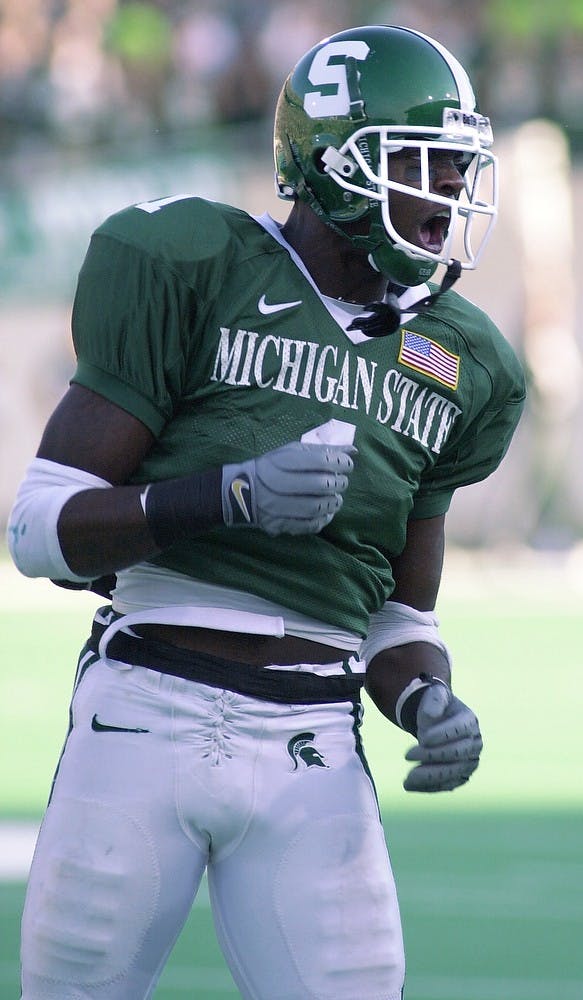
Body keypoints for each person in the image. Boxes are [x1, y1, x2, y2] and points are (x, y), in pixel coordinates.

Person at [8, 24, 525, 1000]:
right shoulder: (197, 264)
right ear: (332, 165)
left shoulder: (458, 362)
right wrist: (225, 495)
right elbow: (40, 530)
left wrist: (425, 698)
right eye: (422, 164)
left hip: (313, 743)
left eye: (459, 170)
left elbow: (397, 617)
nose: (448, 197)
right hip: (142, 717)